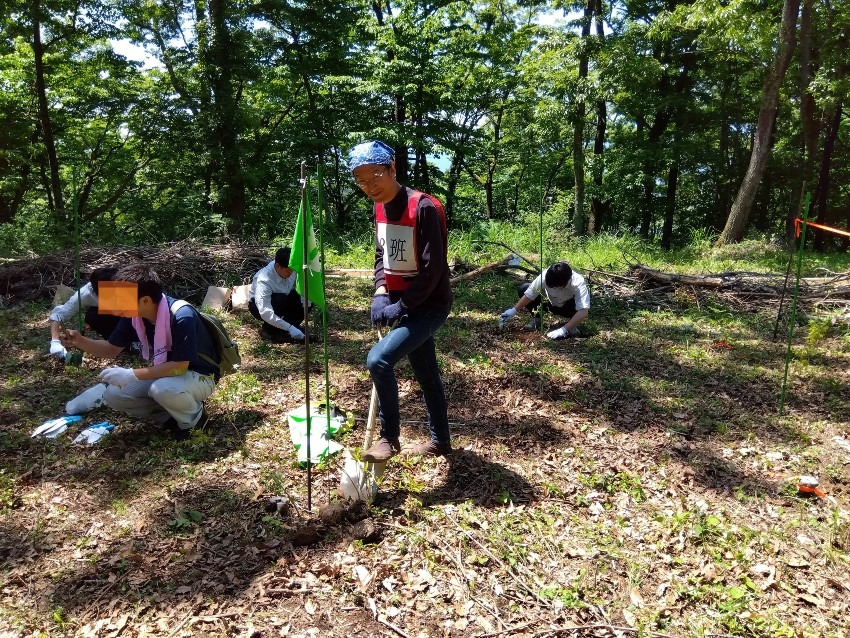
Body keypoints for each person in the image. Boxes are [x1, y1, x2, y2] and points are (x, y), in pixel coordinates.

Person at [349, 140, 453, 461]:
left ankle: (388, 438)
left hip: (429, 304)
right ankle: (441, 441)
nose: (370, 187)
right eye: (361, 181)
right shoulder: (379, 207)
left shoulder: (423, 207)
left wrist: (401, 307)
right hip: (399, 300)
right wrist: (380, 293)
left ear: (393, 168)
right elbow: (382, 254)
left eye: (375, 176)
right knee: (427, 374)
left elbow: (433, 269)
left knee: (378, 360)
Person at [58, 263, 219, 439]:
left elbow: (180, 366)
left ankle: (195, 420)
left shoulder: (182, 315)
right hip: (167, 374)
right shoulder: (134, 316)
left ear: (145, 300)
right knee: (114, 395)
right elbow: (111, 349)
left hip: (201, 375)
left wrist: (132, 374)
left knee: (162, 389)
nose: (118, 304)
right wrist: (80, 341)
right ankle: (170, 418)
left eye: (123, 298)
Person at [498, 261, 590, 339]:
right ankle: (537, 319)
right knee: (524, 288)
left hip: (568, 308)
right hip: (549, 304)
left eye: (556, 286)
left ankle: (571, 325)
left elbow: (583, 311)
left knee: (581, 304)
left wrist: (563, 329)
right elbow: (530, 293)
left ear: (566, 282)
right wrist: (514, 310)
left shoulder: (578, 282)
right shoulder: (545, 276)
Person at [48, 267, 119, 359]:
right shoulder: (85, 294)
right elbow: (59, 314)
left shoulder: (128, 284)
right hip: (109, 315)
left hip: (130, 315)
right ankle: (116, 341)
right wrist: (55, 342)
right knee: (92, 316)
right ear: (96, 291)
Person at [248, 247, 308, 343]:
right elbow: (265, 311)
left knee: (304, 298)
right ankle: (269, 330)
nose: (291, 273)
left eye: (292, 270)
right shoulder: (264, 279)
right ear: (278, 266)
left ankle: (290, 326)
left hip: (284, 297)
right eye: (288, 271)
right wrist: (289, 328)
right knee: (280, 299)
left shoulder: (291, 268)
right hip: (258, 306)